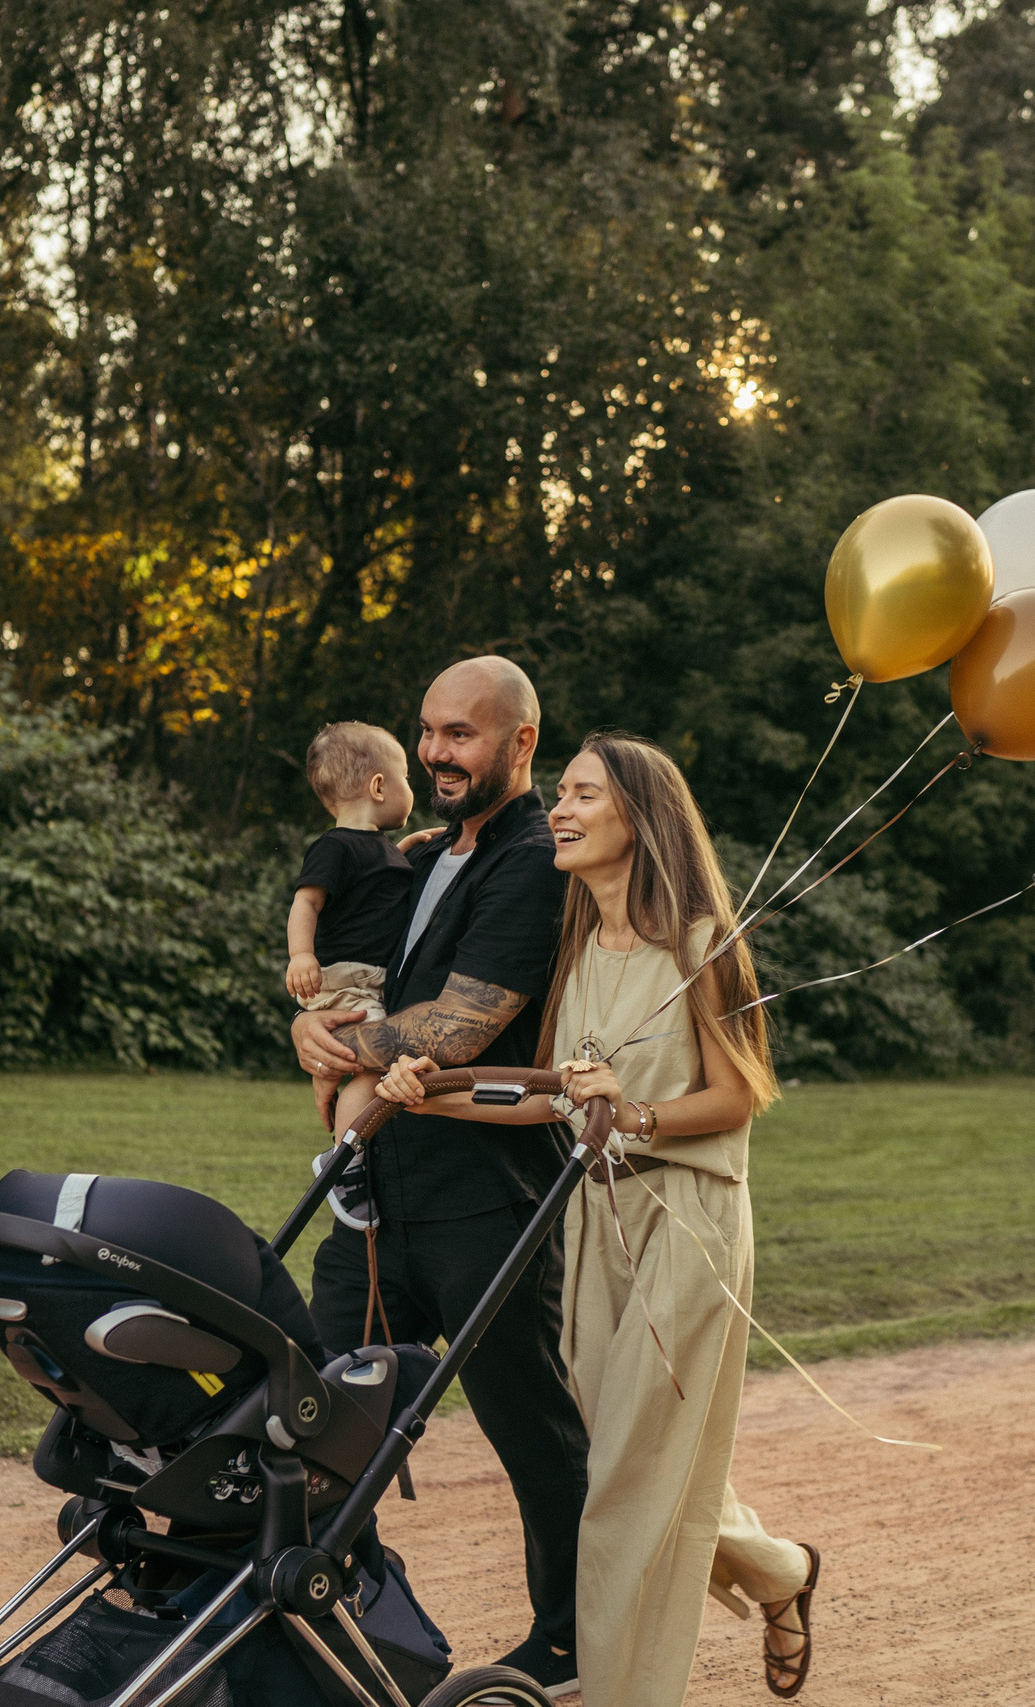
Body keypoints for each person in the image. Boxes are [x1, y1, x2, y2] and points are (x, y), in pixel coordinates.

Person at [372, 730, 824, 1706]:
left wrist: (638, 1112)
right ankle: (779, 1569)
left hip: (687, 1226)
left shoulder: (703, 943)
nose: (559, 812)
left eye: (582, 796)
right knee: (629, 1454)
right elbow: (548, 1097)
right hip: (594, 1229)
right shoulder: (579, 944)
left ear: (639, 816)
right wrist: (426, 1087)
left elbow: (740, 1094)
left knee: (619, 1487)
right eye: (562, 794)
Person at [292, 656, 589, 1694]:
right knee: (318, 1408)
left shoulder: (532, 860)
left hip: (485, 1192)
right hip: (378, 1190)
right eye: (427, 731)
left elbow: (462, 1024)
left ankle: (569, 1642)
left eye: (461, 735)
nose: (435, 752)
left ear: (520, 745)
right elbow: (353, 973)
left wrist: (340, 1044)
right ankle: (318, 1619)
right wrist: (314, 1018)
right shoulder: (424, 853)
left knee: (529, 1423)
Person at [284, 720, 417, 1140]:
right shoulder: (334, 846)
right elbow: (306, 901)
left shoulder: (380, 849)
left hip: (369, 979)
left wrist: (410, 849)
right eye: (407, 778)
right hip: (349, 980)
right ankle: (345, 1162)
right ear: (379, 787)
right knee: (377, 1057)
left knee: (362, 1054)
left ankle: (326, 1081)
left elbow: (377, 876)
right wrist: (301, 955)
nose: (411, 788)